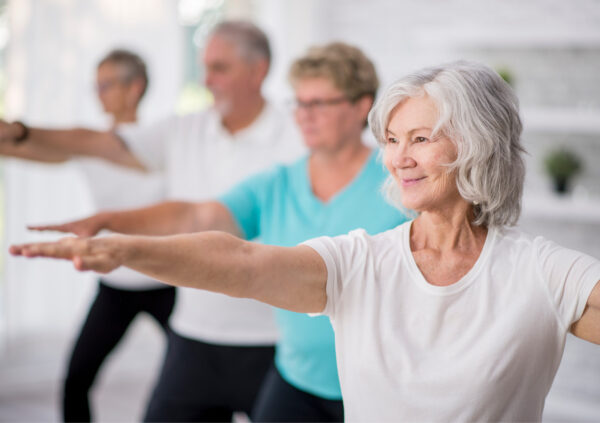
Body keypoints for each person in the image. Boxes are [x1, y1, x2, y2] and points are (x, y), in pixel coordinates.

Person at [12, 60, 599, 422]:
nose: (400, 158)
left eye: (421, 138)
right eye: (393, 140)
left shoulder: (539, 271)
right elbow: (240, 260)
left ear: (477, 145)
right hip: (286, 378)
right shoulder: (362, 259)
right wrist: (123, 245)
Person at [26, 42, 409, 422]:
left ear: (361, 106)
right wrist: (111, 223)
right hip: (298, 380)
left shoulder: (400, 185)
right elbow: (197, 216)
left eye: (319, 104)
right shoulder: (277, 183)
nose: (304, 115)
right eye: (299, 103)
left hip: (377, 385)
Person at [1, 21, 303, 421]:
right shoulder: (184, 129)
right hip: (194, 334)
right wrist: (20, 132)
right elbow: (96, 142)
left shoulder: (298, 135)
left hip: (271, 338)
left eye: (219, 68)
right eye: (204, 67)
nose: (206, 80)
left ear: (258, 70)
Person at [1, 48, 174, 422]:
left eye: (107, 84)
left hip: (167, 282)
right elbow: (26, 149)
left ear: (135, 88)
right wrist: (11, 137)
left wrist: (18, 129)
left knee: (194, 378)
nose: (99, 93)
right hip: (116, 285)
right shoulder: (87, 147)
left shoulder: (159, 140)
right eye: (96, 85)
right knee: (76, 379)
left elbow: (85, 140)